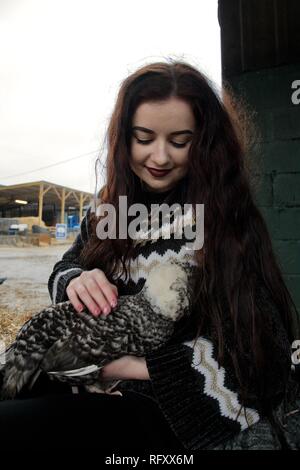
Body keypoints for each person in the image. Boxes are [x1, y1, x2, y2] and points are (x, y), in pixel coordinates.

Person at [1, 60, 299, 452]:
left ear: (205, 141)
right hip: (94, 384)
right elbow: (65, 267)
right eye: (144, 138)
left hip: (177, 412)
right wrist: (76, 279)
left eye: (179, 141)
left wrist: (124, 367)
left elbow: (267, 353)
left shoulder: (226, 220)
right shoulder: (109, 211)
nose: (159, 157)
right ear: (125, 138)